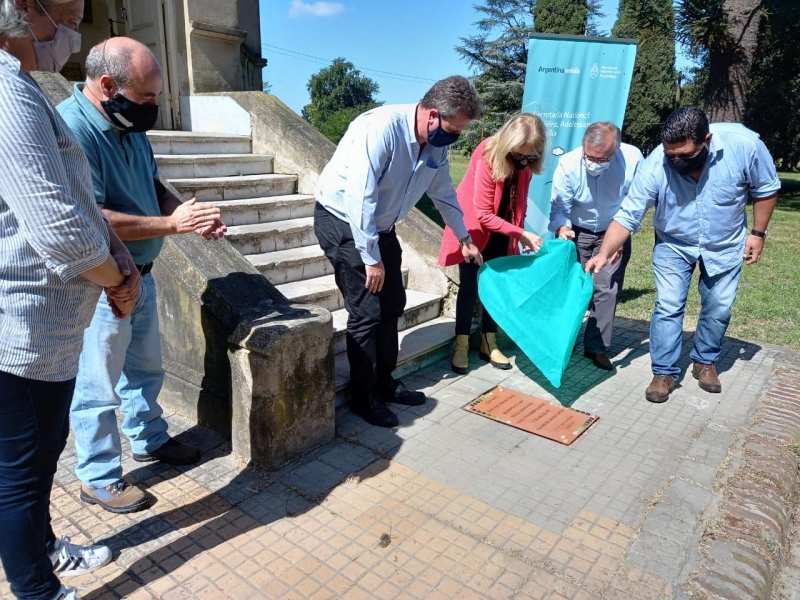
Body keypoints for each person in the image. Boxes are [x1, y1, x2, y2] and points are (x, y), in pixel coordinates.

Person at [0, 0, 140, 597]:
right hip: (23, 330)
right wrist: (117, 279)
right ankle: (37, 589)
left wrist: (118, 255)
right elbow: (57, 225)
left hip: (47, 330)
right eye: (70, 11)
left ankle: (45, 549)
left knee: (38, 459)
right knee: (21, 472)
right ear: (26, 10)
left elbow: (76, 198)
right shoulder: (8, 94)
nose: (76, 29)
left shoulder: (23, 88)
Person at [57, 37, 227, 514]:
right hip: (102, 282)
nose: (154, 107)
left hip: (142, 272)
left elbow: (150, 185)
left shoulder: (125, 121)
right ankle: (98, 476)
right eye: (148, 97)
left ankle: (150, 438)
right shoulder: (72, 127)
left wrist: (186, 212)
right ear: (108, 85)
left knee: (145, 370)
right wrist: (172, 225)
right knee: (97, 385)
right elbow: (88, 216)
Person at [315, 75, 483, 428]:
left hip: (381, 226)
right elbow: (360, 196)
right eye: (452, 131)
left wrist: (464, 237)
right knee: (367, 312)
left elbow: (444, 193)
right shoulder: (381, 129)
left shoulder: (436, 144)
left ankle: (385, 382)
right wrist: (370, 257)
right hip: (344, 221)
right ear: (433, 114)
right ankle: (364, 398)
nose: (453, 139)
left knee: (392, 305)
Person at [585, 107, 780, 403]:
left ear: (707, 140)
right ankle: (663, 372)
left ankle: (705, 360)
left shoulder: (745, 145)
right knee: (668, 305)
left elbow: (765, 188)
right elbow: (628, 213)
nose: (675, 161)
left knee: (719, 307)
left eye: (685, 155)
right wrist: (603, 253)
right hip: (673, 243)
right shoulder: (655, 165)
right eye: (670, 155)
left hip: (725, 242)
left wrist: (758, 233)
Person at [439, 113, 546, 374]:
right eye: (518, 156)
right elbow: (483, 213)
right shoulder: (487, 153)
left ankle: (489, 342)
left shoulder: (526, 162)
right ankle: (461, 344)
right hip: (474, 232)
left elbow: (519, 202)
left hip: (503, 232)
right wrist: (521, 234)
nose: (523, 162)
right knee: (469, 288)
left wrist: (516, 234)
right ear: (507, 145)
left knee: (495, 289)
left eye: (529, 157)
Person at [549, 122, 644, 370]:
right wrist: (562, 228)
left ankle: (596, 347)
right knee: (572, 289)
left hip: (614, 230)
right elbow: (560, 206)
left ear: (616, 150)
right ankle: (562, 344)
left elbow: (636, 203)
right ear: (583, 145)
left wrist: (620, 238)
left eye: (602, 159)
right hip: (577, 231)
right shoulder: (568, 163)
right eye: (589, 157)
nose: (594, 163)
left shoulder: (632, 159)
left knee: (607, 288)